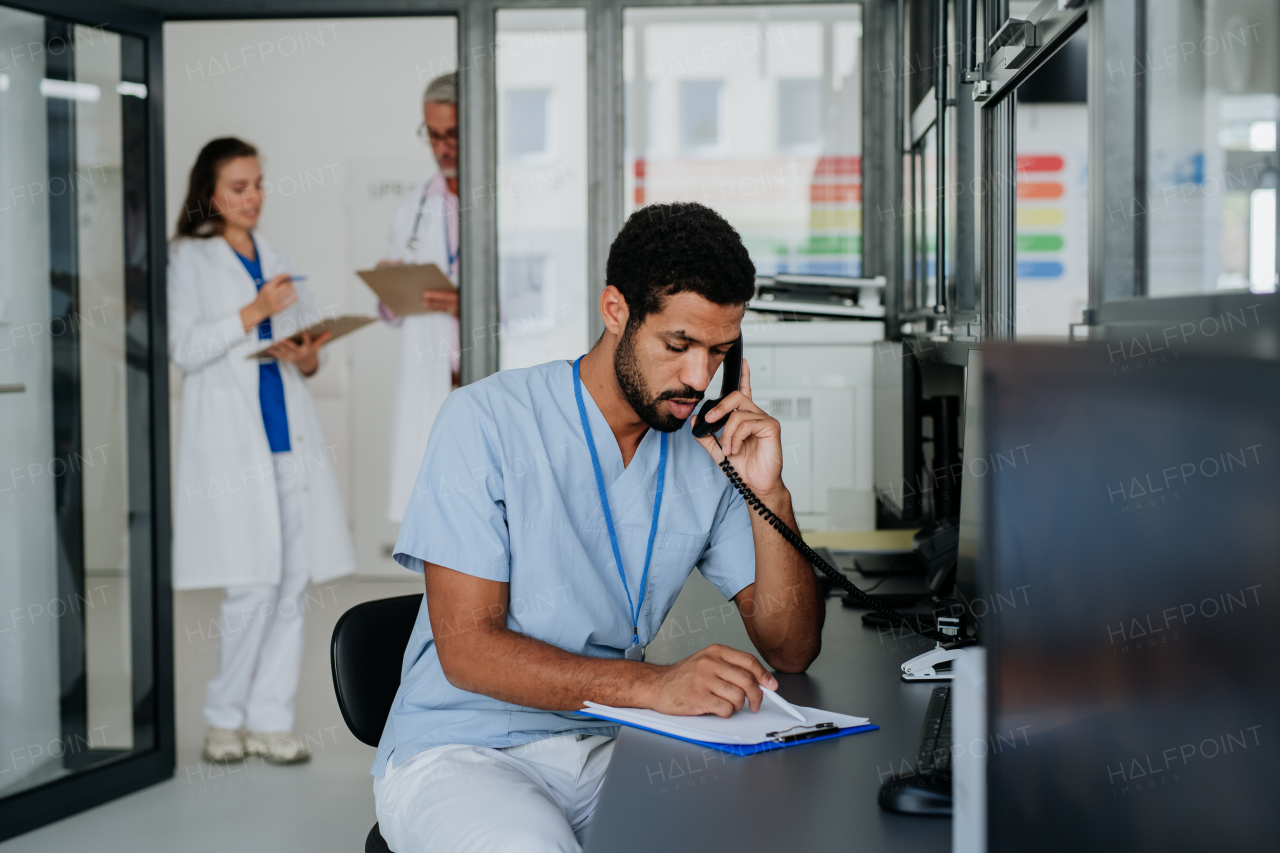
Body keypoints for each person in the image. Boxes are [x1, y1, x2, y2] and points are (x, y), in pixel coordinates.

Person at [371, 202, 824, 852]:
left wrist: (769, 492)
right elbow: (468, 650)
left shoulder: (707, 452)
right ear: (616, 310)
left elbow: (791, 646)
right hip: (464, 748)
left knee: (756, 828)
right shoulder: (485, 421)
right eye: (679, 345)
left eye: (719, 352)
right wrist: (657, 684)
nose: (699, 378)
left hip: (609, 740)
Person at [168, 137, 356, 765]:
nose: (252, 198)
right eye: (238, 188)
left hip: (290, 441)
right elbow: (185, 350)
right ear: (209, 193)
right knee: (251, 584)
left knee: (292, 582)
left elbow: (298, 350)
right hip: (233, 446)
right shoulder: (187, 260)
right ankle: (224, 718)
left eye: (257, 184)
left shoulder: (275, 256)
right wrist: (254, 311)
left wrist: (308, 355)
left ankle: (271, 720)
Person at [379, 71, 461, 522]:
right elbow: (390, 313)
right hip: (431, 377)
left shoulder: (502, 200)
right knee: (437, 512)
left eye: (452, 134)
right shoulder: (412, 206)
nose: (442, 147)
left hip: (480, 371)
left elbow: (536, 303)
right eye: (433, 135)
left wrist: (470, 303)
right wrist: (391, 287)